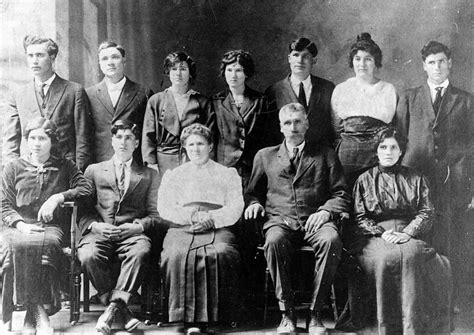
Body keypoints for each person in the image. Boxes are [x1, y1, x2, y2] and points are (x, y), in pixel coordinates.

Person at [244, 103, 350, 334]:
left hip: (316, 221)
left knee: (331, 240)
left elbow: (341, 193)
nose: (293, 127)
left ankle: (315, 314)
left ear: (307, 124)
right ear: (280, 127)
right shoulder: (265, 156)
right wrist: (253, 204)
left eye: (298, 122)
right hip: (280, 220)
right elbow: (252, 192)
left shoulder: (326, 154)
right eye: (288, 123)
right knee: (273, 241)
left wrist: (325, 211)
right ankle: (287, 314)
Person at [336, 128, 452, 334]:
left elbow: (426, 211)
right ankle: (385, 326)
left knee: (410, 256)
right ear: (377, 151)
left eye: (393, 147)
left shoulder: (416, 178)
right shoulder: (365, 180)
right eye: (383, 147)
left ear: (401, 151)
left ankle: (412, 327)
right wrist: (382, 232)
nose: (388, 152)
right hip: (375, 236)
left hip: (410, 234)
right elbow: (360, 216)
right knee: (384, 258)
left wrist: (408, 232)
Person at [394, 41, 473, 308]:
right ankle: (419, 302)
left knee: (450, 239)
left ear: (449, 63)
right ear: (423, 66)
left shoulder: (465, 100)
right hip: (415, 181)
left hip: (454, 182)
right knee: (418, 238)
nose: (437, 67)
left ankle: (447, 303)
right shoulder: (409, 97)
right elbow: (400, 140)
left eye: (441, 61)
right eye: (431, 62)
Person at [1, 117, 92, 334]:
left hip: (50, 227)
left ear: (52, 140)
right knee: (15, 247)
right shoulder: (14, 167)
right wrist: (21, 224)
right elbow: (3, 204)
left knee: (48, 243)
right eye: (32, 138)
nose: (37, 143)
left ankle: (32, 316)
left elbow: (86, 188)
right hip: (18, 227)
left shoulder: (65, 166)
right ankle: (38, 312)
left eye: (42, 138)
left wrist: (58, 197)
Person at [158, 123, 244, 335]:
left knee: (222, 253)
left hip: (217, 226)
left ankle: (215, 318)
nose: (196, 148)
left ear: (211, 146)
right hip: (182, 225)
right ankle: (187, 320)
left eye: (201, 144)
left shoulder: (227, 173)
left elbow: (236, 206)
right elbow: (164, 207)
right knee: (176, 254)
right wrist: (191, 216)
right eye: (191, 144)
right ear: (185, 148)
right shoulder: (173, 175)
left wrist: (212, 218)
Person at [77, 120, 161, 335]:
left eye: (129, 138)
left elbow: (156, 215)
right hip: (100, 233)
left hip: (131, 235)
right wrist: (96, 226)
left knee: (142, 250)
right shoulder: (94, 170)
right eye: (119, 137)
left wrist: (137, 227)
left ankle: (112, 308)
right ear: (112, 141)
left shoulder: (149, 174)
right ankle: (121, 309)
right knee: (88, 254)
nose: (123, 142)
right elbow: (83, 212)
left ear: (136, 144)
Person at [4, 35, 92, 171]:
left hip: (64, 172)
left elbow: (83, 141)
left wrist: (77, 175)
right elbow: (11, 142)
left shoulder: (74, 91)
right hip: (29, 172)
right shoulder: (18, 94)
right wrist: (15, 174)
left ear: (52, 57)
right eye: (30, 55)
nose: (34, 61)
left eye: (39, 55)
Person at [331, 33, 397, 187]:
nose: (362, 64)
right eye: (357, 59)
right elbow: (336, 127)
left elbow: (393, 125)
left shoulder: (388, 89)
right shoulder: (341, 89)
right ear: (352, 62)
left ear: (376, 63)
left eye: (368, 59)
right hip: (347, 154)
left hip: (376, 153)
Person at [209, 50, 280, 188]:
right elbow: (210, 138)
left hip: (255, 167)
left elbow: (271, 138)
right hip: (224, 168)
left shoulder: (261, 101)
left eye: (238, 70)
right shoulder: (215, 102)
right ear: (224, 72)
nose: (233, 75)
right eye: (229, 70)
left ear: (246, 73)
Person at [142, 52, 214, 181]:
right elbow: (148, 136)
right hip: (163, 163)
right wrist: (151, 164)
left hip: (194, 160)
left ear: (190, 73)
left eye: (183, 69)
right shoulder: (156, 101)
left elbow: (211, 137)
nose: (178, 73)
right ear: (168, 72)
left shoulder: (203, 102)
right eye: (174, 69)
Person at [86, 41, 153, 163]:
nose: (110, 63)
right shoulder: (89, 95)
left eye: (115, 57)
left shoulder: (143, 93)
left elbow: (149, 134)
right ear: (100, 64)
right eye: (105, 59)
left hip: (134, 163)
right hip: (101, 164)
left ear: (124, 61)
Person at [265, 37, 335, 146]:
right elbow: (270, 132)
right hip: (287, 156)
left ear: (314, 60)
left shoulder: (327, 88)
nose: (300, 61)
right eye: (296, 55)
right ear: (289, 58)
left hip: (320, 155)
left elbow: (332, 127)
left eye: (306, 56)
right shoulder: (274, 91)